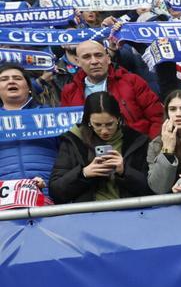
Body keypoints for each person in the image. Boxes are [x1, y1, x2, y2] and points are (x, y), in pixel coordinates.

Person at [50, 92, 152, 204]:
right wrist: (84, 174)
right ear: (88, 122)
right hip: (89, 215)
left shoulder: (137, 141)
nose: (104, 131)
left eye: (109, 124)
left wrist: (125, 171)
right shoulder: (74, 140)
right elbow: (56, 192)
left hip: (131, 212)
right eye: (97, 125)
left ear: (118, 119)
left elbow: (150, 189)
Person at [61, 40, 163, 137]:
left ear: (108, 58)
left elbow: (158, 116)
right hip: (89, 150)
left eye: (98, 55)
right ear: (77, 61)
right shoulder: (69, 91)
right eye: (87, 57)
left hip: (137, 148)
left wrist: (151, 145)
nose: (94, 61)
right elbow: (67, 128)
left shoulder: (132, 81)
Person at [0, 64, 57, 194]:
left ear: (29, 88)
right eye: (4, 79)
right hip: (4, 198)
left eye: (17, 78)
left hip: (47, 191)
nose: (11, 81)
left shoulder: (50, 115)